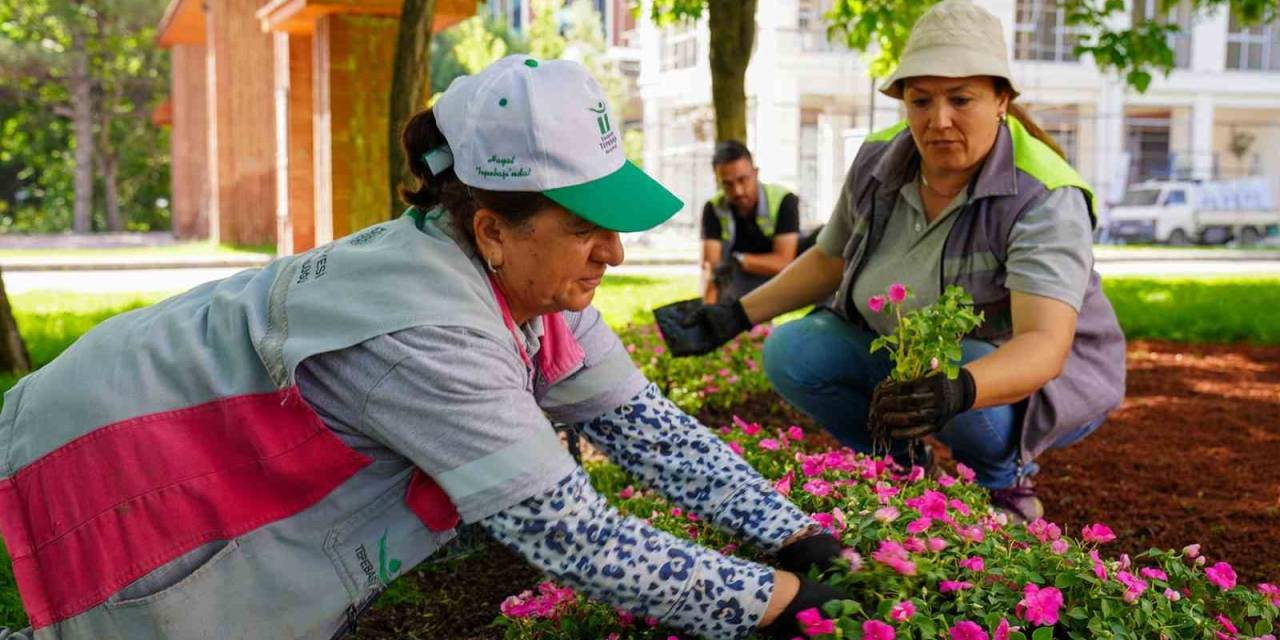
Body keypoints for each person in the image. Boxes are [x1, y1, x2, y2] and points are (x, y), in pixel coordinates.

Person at [0, 56, 844, 640]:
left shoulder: (532, 284)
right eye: (588, 228)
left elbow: (645, 428)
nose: (615, 254)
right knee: (177, 614)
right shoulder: (428, 330)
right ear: (492, 229)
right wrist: (778, 599)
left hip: (162, 413)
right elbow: (574, 537)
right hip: (126, 446)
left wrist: (796, 534)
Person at [657, 0, 1126, 524]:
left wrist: (957, 390)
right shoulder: (880, 160)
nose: (938, 120)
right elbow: (829, 259)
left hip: (1021, 380)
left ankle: (1003, 482)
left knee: (959, 361)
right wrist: (733, 315)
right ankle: (904, 466)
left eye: (961, 99)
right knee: (793, 351)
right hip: (914, 356)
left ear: (1001, 99)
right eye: (920, 100)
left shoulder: (1044, 194)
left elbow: (1044, 344)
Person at [700, 141, 801, 305]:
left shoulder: (783, 200)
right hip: (737, 280)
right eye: (727, 184)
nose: (738, 191)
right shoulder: (713, 208)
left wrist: (740, 260)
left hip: (783, 278)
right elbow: (712, 268)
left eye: (743, 180)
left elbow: (784, 262)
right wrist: (707, 311)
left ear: (755, 173)